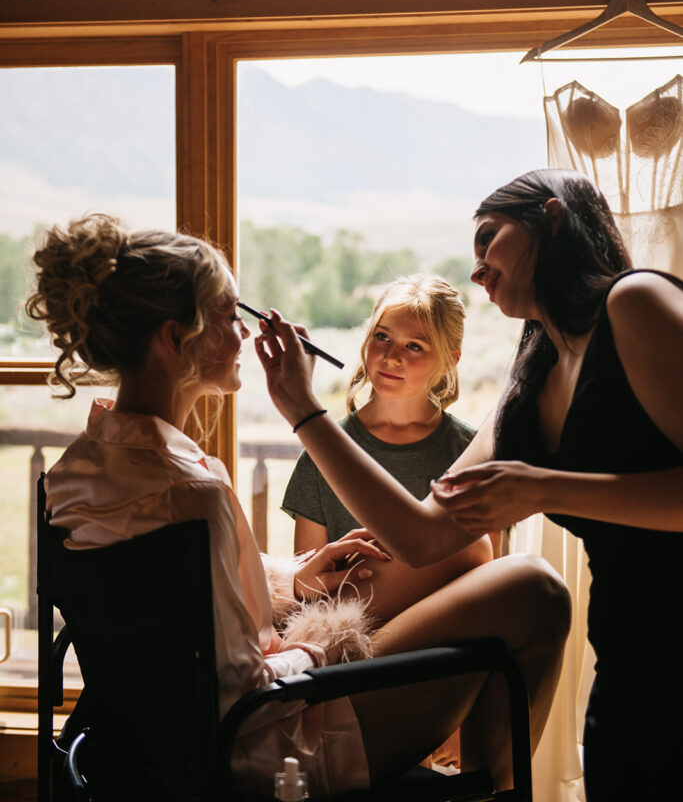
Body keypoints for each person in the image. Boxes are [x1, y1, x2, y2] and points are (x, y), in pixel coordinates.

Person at [27, 213, 570, 799]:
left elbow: (175, 592)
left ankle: (479, 772)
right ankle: (491, 786)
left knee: (466, 551)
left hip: (140, 740)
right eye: (229, 317)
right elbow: (246, 685)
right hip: (265, 747)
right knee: (535, 590)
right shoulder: (191, 492)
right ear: (171, 339)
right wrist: (318, 648)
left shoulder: (76, 471)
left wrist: (299, 577)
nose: (243, 336)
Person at [255, 169, 682, 802]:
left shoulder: (635, 302)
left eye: (489, 238)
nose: (478, 270)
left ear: (553, 215)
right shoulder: (537, 366)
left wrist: (546, 489)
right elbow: (425, 536)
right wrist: (303, 411)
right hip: (632, 661)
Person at [282, 274, 491, 575]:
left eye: (414, 346)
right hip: (349, 619)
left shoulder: (470, 454)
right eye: (382, 337)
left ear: (449, 361)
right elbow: (309, 592)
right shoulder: (321, 454)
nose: (392, 357)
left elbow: (484, 575)